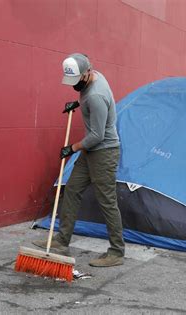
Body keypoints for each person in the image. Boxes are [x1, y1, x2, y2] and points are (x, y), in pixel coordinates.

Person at [33, 53, 125, 267]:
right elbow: (86, 98)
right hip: (90, 151)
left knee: (107, 201)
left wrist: (71, 148)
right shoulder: (93, 78)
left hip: (104, 151)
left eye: (77, 82)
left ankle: (117, 252)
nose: (74, 86)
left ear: (87, 73)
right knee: (72, 190)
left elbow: (97, 136)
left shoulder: (96, 96)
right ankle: (62, 240)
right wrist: (77, 104)